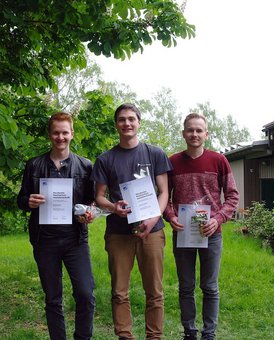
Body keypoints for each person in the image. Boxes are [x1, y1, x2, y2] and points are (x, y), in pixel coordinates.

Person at [91, 103, 172, 340]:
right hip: (118, 232)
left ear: (138, 122)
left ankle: (154, 337)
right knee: (119, 292)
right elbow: (99, 197)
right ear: (116, 124)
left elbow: (164, 192)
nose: (127, 123)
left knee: (155, 292)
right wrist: (113, 207)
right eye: (122, 119)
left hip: (152, 231)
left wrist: (153, 218)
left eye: (131, 119)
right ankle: (125, 336)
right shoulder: (106, 159)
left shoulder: (155, 153)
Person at [17, 112, 95, 340]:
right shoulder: (34, 165)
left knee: (85, 293)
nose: (60, 137)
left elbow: (92, 201)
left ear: (72, 134)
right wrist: (28, 202)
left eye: (65, 132)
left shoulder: (85, 166)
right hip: (45, 240)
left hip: (75, 240)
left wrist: (88, 213)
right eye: (56, 133)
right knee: (53, 298)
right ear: (49, 135)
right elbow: (21, 199)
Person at [163, 113, 239, 340]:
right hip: (183, 233)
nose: (194, 134)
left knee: (210, 287)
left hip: (212, 232)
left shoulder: (218, 160)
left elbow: (233, 195)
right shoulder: (173, 162)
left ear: (206, 134)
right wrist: (170, 215)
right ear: (183, 133)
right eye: (190, 130)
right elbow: (164, 196)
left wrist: (219, 218)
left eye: (199, 130)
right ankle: (189, 332)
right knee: (186, 287)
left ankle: (209, 333)